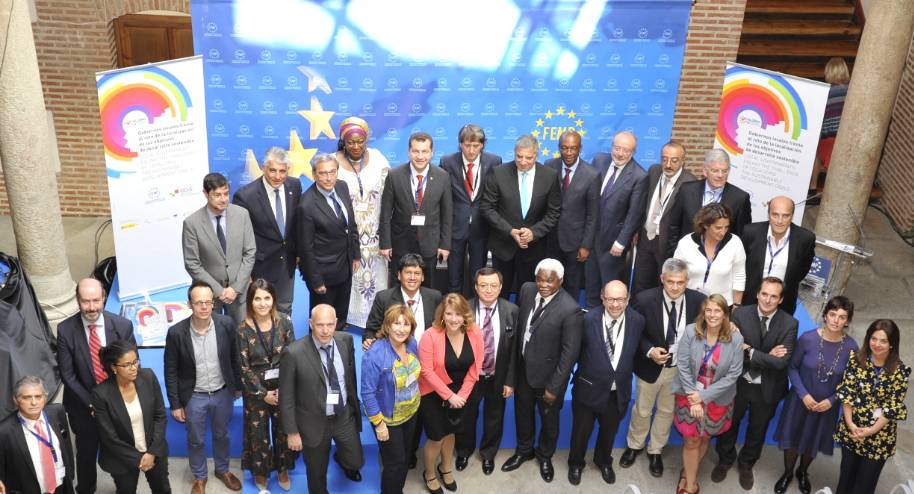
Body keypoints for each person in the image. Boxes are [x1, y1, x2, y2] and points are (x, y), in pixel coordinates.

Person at [621, 258, 705, 477]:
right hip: (650, 367)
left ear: (687, 281)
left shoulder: (699, 301)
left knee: (667, 411)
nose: (675, 287)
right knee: (642, 409)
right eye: (670, 282)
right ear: (662, 279)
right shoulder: (644, 300)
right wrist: (649, 350)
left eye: (680, 282)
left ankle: (656, 450)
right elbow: (634, 331)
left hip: (680, 370)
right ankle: (635, 445)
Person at [712, 277, 798, 489]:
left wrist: (749, 350)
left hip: (768, 386)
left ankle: (746, 464)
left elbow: (781, 362)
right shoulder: (739, 315)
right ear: (757, 294)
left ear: (781, 299)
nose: (767, 300)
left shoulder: (790, 324)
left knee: (758, 430)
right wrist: (766, 355)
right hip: (738, 382)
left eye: (774, 296)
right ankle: (725, 460)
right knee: (728, 425)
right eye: (764, 294)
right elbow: (731, 353)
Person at [501, 259, 583, 483]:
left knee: (549, 422)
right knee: (523, 414)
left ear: (561, 281)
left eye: (550, 280)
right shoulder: (527, 290)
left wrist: (554, 387)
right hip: (523, 371)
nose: (544, 284)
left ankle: (545, 456)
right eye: (540, 279)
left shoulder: (571, 309)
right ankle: (524, 451)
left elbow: (569, 355)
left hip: (549, 379)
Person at [772, 295, 858, 494]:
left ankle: (803, 472)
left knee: (813, 440)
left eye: (842, 317)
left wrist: (832, 400)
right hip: (800, 401)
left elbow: (850, 381)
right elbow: (792, 368)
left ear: (847, 321)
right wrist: (804, 395)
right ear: (825, 315)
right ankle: (788, 473)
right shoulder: (808, 338)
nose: (836, 320)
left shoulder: (852, 348)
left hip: (826, 407)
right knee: (793, 438)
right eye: (833, 314)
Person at [56, 278, 135, 494]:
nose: (91, 307)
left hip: (116, 403)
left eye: (96, 300)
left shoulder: (122, 326)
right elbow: (68, 374)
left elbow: (130, 367)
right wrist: (93, 403)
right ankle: (86, 489)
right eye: (85, 301)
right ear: (77, 300)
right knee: (86, 454)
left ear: (103, 298)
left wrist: (112, 402)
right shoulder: (65, 330)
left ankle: (124, 489)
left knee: (120, 452)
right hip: (83, 406)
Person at [164, 281, 243, 494]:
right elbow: (170, 371)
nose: (204, 307)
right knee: (196, 440)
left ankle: (223, 470)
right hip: (194, 396)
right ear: (189, 304)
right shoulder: (176, 333)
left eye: (208, 302)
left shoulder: (226, 324)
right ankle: (199, 477)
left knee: (222, 435)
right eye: (199, 302)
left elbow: (235, 357)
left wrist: (237, 386)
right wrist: (175, 404)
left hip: (223, 392)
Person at [279, 304, 364, 494]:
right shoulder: (293, 353)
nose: (325, 330)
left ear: (336, 323)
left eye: (329, 324)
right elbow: (286, 396)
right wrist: (292, 432)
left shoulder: (346, 341)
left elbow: (350, 378)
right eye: (319, 325)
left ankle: (342, 459)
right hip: (313, 421)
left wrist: (353, 406)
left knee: (356, 461)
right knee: (316, 475)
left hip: (343, 415)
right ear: (311, 324)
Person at [567, 281, 645, 486]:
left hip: (617, 391)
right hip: (588, 388)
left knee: (609, 431)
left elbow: (639, 348)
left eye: (620, 299)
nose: (615, 304)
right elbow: (574, 351)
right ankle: (576, 463)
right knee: (581, 431)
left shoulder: (637, 321)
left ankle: (603, 461)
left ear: (628, 300)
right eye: (610, 299)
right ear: (602, 298)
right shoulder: (587, 319)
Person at [672, 294, 745, 494]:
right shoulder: (691, 331)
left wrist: (703, 397)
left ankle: (688, 472)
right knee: (691, 440)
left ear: (725, 313)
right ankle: (690, 484)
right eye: (708, 310)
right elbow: (683, 365)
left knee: (704, 437)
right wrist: (694, 397)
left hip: (717, 398)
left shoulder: (736, 338)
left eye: (717, 310)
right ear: (703, 313)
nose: (712, 315)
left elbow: (733, 374)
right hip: (689, 394)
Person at [454, 268, 519, 475]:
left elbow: (514, 351)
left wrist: (510, 381)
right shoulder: (464, 309)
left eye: (493, 285)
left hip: (497, 376)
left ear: (500, 287)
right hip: (469, 377)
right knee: (466, 416)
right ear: (476, 287)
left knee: (495, 417)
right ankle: (463, 451)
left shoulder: (512, 310)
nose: (488, 290)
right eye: (483, 285)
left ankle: (488, 454)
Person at [480, 135, 561, 298]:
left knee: (529, 295)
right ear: (514, 153)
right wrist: (510, 231)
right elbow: (487, 208)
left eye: (528, 158)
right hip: (503, 247)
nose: (523, 161)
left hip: (534, 249)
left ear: (536, 156)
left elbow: (554, 212)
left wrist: (534, 232)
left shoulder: (549, 176)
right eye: (519, 156)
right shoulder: (498, 173)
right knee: (499, 294)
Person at [834, 319, 910, 494]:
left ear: (892, 344)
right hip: (852, 432)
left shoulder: (900, 372)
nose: (877, 344)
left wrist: (870, 431)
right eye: (873, 338)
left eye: (883, 341)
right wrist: (851, 425)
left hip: (879, 438)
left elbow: (892, 407)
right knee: (845, 479)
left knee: (864, 486)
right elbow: (847, 393)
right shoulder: (856, 360)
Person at [418, 294, 484, 493]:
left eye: (458, 314)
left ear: (465, 315)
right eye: (449, 313)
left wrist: (461, 395)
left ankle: (445, 468)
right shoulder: (430, 335)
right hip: (433, 393)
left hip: (462, 393)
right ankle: (429, 473)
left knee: (451, 433)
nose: (454, 319)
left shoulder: (475, 332)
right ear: (442, 315)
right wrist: (449, 396)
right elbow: (426, 371)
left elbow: (475, 367)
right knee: (437, 437)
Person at [237, 279, 296, 491]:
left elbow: (293, 356)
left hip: (282, 386)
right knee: (258, 434)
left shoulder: (285, 322)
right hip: (256, 390)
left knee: (283, 430)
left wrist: (284, 389)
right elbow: (243, 368)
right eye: (257, 299)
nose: (262, 303)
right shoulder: (242, 330)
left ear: (274, 299)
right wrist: (263, 394)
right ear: (250, 302)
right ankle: (260, 472)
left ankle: (283, 468)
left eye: (267, 298)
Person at [334, 117, 392, 329]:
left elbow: (390, 196)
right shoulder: (333, 163)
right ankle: (349, 319)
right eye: (351, 142)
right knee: (351, 277)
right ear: (343, 141)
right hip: (348, 236)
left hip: (376, 234)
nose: (356, 146)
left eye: (360, 142)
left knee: (377, 278)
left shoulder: (378, 159)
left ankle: (377, 318)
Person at [92, 341, 170, 494]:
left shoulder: (148, 377)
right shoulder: (101, 394)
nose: (134, 368)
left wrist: (151, 453)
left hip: (153, 449)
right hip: (121, 457)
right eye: (127, 365)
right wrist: (139, 459)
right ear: (114, 367)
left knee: (162, 489)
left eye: (135, 362)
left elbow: (160, 416)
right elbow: (109, 437)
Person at [231, 147, 302, 314]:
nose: (278, 176)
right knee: (260, 312)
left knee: (284, 309)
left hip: (287, 264)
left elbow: (297, 223)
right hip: (260, 266)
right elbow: (238, 238)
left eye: (282, 171)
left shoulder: (294, 185)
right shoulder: (245, 196)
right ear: (263, 168)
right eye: (273, 170)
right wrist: (245, 273)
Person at [360, 305, 421, 494]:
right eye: (396, 323)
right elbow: (367, 393)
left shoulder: (412, 344)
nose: (401, 329)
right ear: (387, 325)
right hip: (388, 419)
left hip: (411, 412)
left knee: (405, 457)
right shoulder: (374, 354)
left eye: (406, 324)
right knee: (394, 463)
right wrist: (379, 424)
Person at [182, 172, 257, 324]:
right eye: (217, 195)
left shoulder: (242, 215)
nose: (223, 199)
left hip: (239, 292)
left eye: (226, 194)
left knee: (241, 334)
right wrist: (219, 291)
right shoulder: (192, 223)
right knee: (212, 334)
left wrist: (235, 288)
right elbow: (192, 263)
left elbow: (250, 252)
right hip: (208, 295)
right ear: (205, 194)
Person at [379, 131, 452, 284]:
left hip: (430, 245)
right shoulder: (394, 175)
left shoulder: (443, 176)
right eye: (415, 151)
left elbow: (447, 214)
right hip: (401, 243)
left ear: (432, 153)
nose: (420, 156)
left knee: (428, 287)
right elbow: (385, 213)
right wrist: (385, 243)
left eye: (424, 151)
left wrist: (445, 245)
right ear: (408, 152)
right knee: (399, 288)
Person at [297, 153, 361, 330]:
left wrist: (356, 254)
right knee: (321, 322)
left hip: (345, 266)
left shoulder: (342, 186)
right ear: (314, 174)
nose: (328, 177)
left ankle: (338, 345)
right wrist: (315, 280)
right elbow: (306, 248)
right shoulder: (306, 205)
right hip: (324, 275)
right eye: (323, 173)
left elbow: (351, 223)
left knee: (340, 317)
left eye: (332, 172)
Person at [585, 130, 648, 306]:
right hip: (591, 239)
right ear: (612, 146)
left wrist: (621, 242)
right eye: (617, 148)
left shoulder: (639, 176)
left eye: (626, 150)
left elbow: (634, 214)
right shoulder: (599, 160)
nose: (620, 153)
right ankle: (590, 315)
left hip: (613, 244)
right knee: (590, 284)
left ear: (633, 152)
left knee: (609, 288)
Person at [440, 124, 502, 296]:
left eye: (476, 145)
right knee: (454, 278)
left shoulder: (494, 161)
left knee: (479, 276)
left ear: (483, 144)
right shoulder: (447, 162)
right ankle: (454, 307)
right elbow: (443, 196)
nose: (471, 150)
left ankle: (476, 309)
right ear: (460, 144)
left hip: (481, 228)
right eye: (467, 145)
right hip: (455, 227)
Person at [631, 140, 697, 295]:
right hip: (646, 239)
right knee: (640, 284)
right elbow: (643, 202)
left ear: (683, 161)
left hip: (668, 244)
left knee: (662, 287)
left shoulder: (690, 182)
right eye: (664, 159)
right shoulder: (653, 171)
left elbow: (689, 220)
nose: (668, 165)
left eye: (674, 160)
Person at [666, 149, 752, 258]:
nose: (720, 175)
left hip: (720, 260)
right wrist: (674, 255)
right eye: (715, 171)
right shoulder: (686, 190)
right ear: (705, 171)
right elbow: (673, 226)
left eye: (724, 171)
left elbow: (741, 236)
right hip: (686, 257)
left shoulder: (740, 198)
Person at [544, 130, 598, 300]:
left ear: (580, 148)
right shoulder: (548, 165)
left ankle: (569, 315)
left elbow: (593, 215)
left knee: (572, 286)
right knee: (548, 282)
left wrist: (586, 246)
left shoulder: (592, 174)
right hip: (549, 239)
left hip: (575, 243)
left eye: (573, 148)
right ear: (559, 147)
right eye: (564, 148)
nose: (568, 153)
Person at [740, 196, 816, 315]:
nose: (779, 221)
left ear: (792, 216)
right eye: (775, 215)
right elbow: (739, 266)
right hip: (749, 301)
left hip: (783, 306)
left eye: (785, 216)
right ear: (768, 214)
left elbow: (802, 271)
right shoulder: (750, 232)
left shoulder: (805, 239)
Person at [0, 376, 75, 494]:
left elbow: (66, 446)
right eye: (26, 397)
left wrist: (70, 474)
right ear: (16, 399)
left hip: (61, 485)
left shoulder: (57, 412)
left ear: (45, 398)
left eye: (38, 396)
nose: (34, 402)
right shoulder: (4, 431)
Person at [363, 253, 444, 350]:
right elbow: (371, 330)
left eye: (417, 273)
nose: (412, 278)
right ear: (399, 275)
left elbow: (441, 328)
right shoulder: (383, 298)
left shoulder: (435, 297)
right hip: (392, 355)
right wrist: (369, 339)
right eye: (408, 273)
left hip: (427, 354)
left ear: (422, 277)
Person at [674, 203, 746, 306]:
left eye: (726, 227)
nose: (723, 232)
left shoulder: (735, 243)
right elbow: (676, 273)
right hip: (690, 304)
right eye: (718, 228)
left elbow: (739, 276)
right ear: (705, 225)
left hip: (722, 306)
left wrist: (736, 306)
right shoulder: (686, 242)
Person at [810, 57, 850, 192]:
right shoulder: (851, 91)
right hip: (844, 137)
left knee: (817, 157)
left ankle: (813, 187)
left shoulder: (823, 92)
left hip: (826, 137)